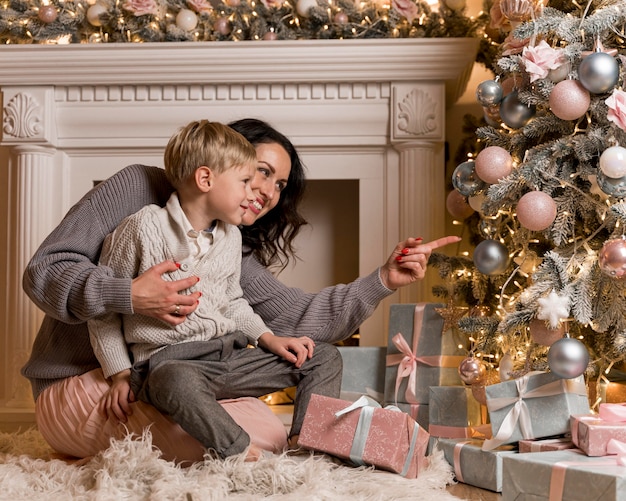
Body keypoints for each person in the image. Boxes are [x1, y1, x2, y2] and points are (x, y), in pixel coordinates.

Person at [22, 117, 461, 464]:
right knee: (231, 435)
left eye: (279, 184)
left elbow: (298, 319)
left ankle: (324, 448)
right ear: (215, 167)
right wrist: (131, 297)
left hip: (202, 370)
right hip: (97, 380)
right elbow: (45, 271)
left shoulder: (227, 240)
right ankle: (238, 449)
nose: (266, 192)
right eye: (259, 173)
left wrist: (383, 278)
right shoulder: (138, 196)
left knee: (274, 428)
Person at [86, 120, 340, 462]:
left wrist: (269, 338)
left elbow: (232, 302)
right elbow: (104, 311)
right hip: (167, 365)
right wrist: (119, 374)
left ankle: (308, 445)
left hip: (226, 357)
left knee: (323, 355)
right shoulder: (142, 227)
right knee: (174, 380)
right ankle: (236, 448)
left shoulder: (230, 237)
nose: (255, 194)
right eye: (246, 182)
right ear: (206, 179)